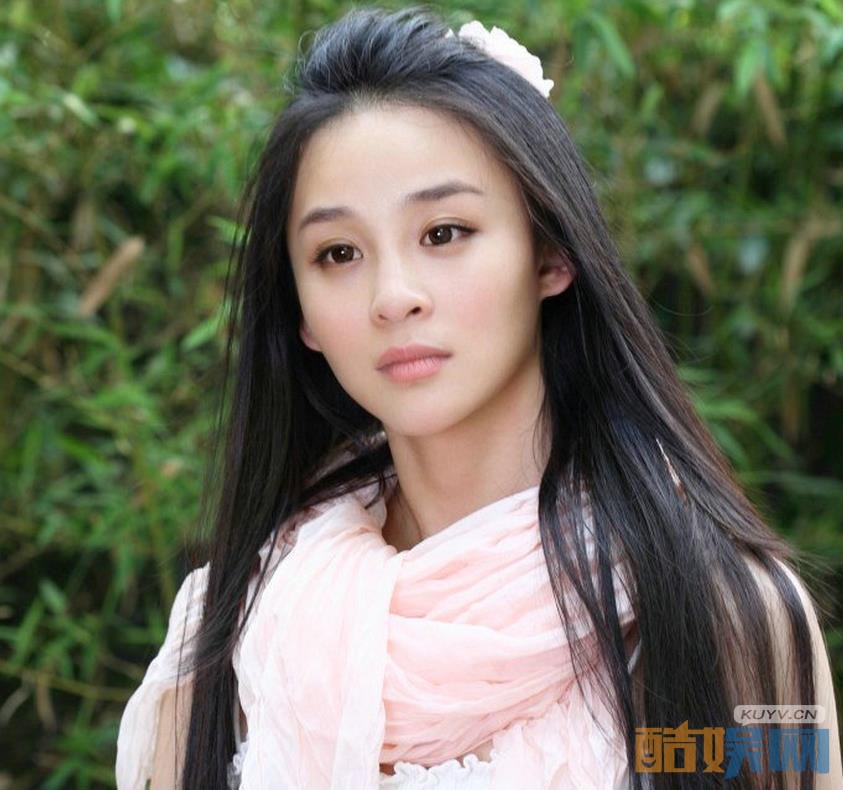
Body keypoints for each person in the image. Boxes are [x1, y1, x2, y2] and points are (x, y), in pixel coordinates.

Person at [115, 6, 842, 789]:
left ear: (550, 254)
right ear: (301, 314)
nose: (393, 297)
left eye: (444, 233)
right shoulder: (239, 625)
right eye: (338, 253)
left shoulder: (718, 613)